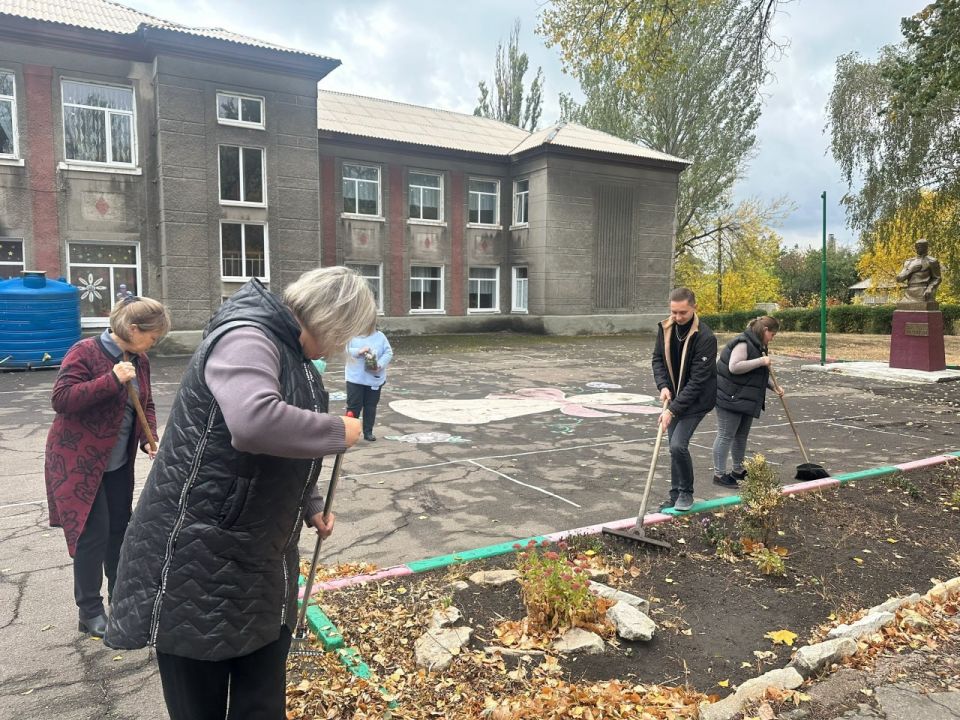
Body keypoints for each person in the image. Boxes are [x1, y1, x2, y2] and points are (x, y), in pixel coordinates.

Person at [104, 268, 375, 720]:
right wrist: (336, 431)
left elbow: (273, 454)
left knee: (261, 705)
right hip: (199, 559)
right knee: (201, 707)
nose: (335, 348)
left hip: (258, 560)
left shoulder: (296, 357)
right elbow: (254, 422)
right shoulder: (248, 337)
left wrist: (307, 505)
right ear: (330, 319)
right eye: (340, 336)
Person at [44, 295, 170, 638]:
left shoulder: (139, 359)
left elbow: (147, 402)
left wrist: (149, 437)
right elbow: (62, 399)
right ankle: (89, 611)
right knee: (92, 535)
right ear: (132, 328)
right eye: (152, 337)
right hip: (79, 462)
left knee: (120, 529)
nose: (153, 344)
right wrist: (110, 380)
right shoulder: (84, 352)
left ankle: (121, 598)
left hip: (117, 462)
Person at [651, 287, 717, 512]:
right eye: (674, 312)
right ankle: (675, 494)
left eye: (683, 313)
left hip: (697, 400)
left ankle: (686, 493)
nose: (678, 318)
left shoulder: (706, 337)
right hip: (675, 397)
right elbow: (657, 359)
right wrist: (663, 386)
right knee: (673, 447)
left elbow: (699, 381)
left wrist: (672, 411)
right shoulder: (666, 328)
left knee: (678, 445)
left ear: (694, 308)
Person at [712, 316, 784, 488]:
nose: (772, 338)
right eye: (772, 335)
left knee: (741, 435)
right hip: (729, 396)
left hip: (744, 398)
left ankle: (738, 470)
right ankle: (719, 474)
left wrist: (774, 387)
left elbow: (756, 374)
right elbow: (734, 367)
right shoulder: (743, 343)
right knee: (725, 435)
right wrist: (761, 361)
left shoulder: (759, 345)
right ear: (765, 330)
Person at [345, 329, 394, 441]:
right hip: (355, 378)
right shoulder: (351, 334)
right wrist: (359, 351)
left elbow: (388, 352)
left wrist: (379, 365)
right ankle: (349, 433)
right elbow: (345, 350)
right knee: (353, 406)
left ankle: (368, 432)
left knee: (370, 406)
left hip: (374, 378)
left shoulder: (380, 336)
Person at [895, 238, 942, 305]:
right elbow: (899, 279)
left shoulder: (932, 261)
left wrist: (930, 288)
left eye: (920, 246)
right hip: (909, 292)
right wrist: (911, 270)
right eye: (916, 246)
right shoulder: (909, 262)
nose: (917, 248)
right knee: (901, 306)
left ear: (926, 247)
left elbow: (937, 278)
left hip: (923, 291)